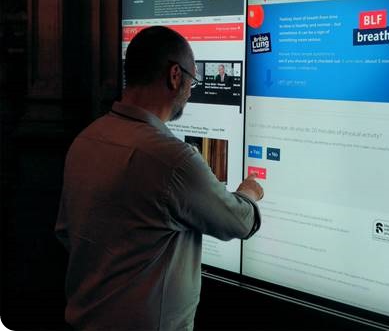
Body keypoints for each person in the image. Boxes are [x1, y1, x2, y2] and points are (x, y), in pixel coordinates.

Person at [54, 26, 264, 330]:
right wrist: (248, 192)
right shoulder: (172, 159)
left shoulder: (86, 139)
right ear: (175, 75)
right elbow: (240, 222)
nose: (190, 92)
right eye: (192, 80)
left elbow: (65, 232)